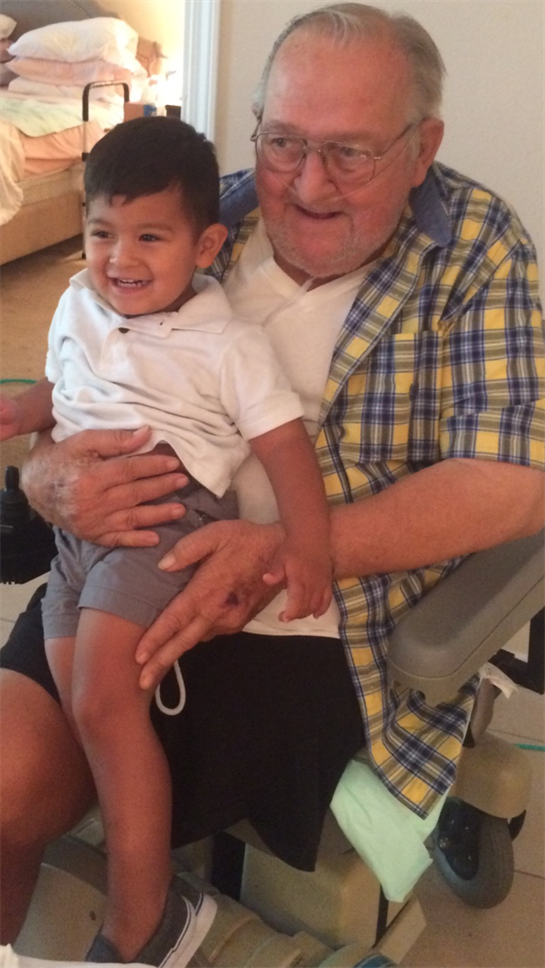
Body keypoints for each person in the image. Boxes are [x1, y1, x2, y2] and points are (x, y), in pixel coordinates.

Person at [0, 1, 543, 963]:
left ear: (421, 148)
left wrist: (290, 548)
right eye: (284, 141)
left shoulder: (476, 249)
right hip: (124, 563)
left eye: (350, 153)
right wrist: (48, 477)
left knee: (120, 742)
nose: (306, 182)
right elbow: (81, 380)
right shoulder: (199, 215)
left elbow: (509, 482)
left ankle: (147, 926)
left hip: (310, 620)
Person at [0, 117, 333, 967]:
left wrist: (304, 546)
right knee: (78, 702)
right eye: (101, 233)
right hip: (77, 544)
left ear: (205, 244)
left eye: (150, 237)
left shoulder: (227, 345)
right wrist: (21, 413)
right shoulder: (78, 303)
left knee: (104, 703)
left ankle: (140, 919)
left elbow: (284, 448)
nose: (120, 258)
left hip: (164, 524)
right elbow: (60, 385)